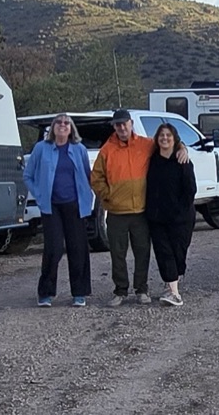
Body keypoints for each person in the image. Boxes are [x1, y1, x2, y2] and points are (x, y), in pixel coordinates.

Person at [23, 114, 94, 307]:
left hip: (75, 205)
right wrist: (38, 194)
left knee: (78, 249)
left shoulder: (79, 150)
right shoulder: (41, 149)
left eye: (66, 123)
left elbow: (88, 176)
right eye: (59, 123)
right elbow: (28, 176)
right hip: (51, 206)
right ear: (53, 128)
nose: (62, 126)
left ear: (71, 129)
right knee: (53, 249)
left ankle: (79, 293)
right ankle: (45, 293)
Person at [89, 109, 159, 305]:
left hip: (142, 212)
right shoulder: (107, 150)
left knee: (143, 252)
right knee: (117, 254)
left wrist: (182, 149)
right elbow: (96, 178)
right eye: (117, 124)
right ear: (114, 126)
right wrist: (107, 195)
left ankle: (142, 290)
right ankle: (120, 291)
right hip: (117, 212)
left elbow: (167, 146)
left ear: (131, 123)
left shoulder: (146, 145)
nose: (121, 127)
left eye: (124, 123)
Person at [146, 122, 197, 307]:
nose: (164, 138)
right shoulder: (151, 159)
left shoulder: (183, 161)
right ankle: (174, 293)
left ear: (175, 138)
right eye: (161, 135)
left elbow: (190, 190)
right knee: (163, 253)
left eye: (168, 135)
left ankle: (172, 283)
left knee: (177, 253)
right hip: (156, 217)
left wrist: (183, 148)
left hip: (181, 218)